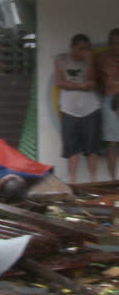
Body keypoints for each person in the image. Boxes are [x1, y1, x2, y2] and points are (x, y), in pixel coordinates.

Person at [54, 33, 101, 183]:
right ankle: (73, 182)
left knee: (92, 148)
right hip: (68, 109)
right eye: (81, 48)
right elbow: (59, 82)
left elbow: (92, 83)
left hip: (91, 108)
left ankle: (94, 181)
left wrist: (89, 63)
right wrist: (80, 86)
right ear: (73, 47)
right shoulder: (61, 59)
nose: (84, 52)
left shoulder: (91, 60)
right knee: (71, 148)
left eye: (87, 48)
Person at [96, 28, 119, 180]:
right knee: (112, 142)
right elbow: (96, 80)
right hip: (109, 99)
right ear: (110, 44)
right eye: (115, 43)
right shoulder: (102, 58)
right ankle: (113, 180)